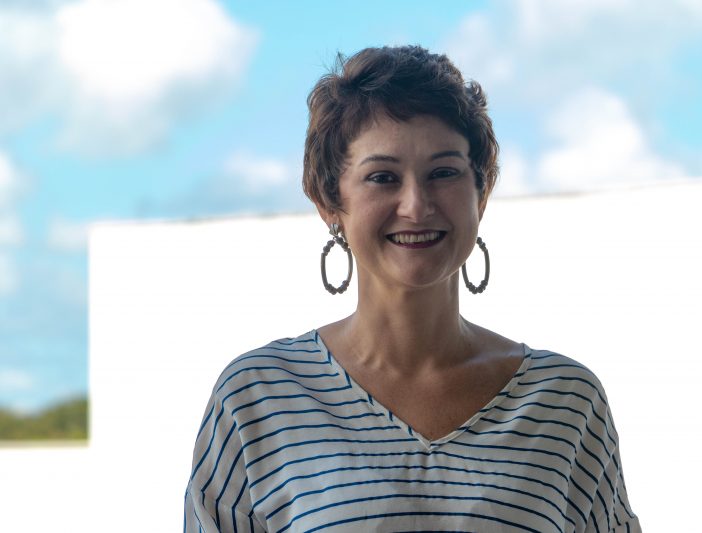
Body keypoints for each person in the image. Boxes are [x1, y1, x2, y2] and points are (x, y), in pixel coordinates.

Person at [184, 45, 641, 533]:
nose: (416, 206)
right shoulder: (257, 397)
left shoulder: (566, 402)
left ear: (482, 193)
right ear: (328, 202)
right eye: (382, 177)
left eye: (443, 173)